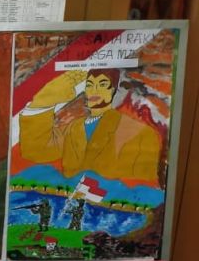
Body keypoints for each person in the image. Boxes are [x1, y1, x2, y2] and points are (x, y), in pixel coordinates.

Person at [18, 69, 160, 183]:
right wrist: (44, 101)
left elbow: (144, 184)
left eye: (102, 84)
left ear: (113, 90)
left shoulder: (140, 133)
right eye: (90, 85)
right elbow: (37, 150)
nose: (94, 90)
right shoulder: (74, 128)